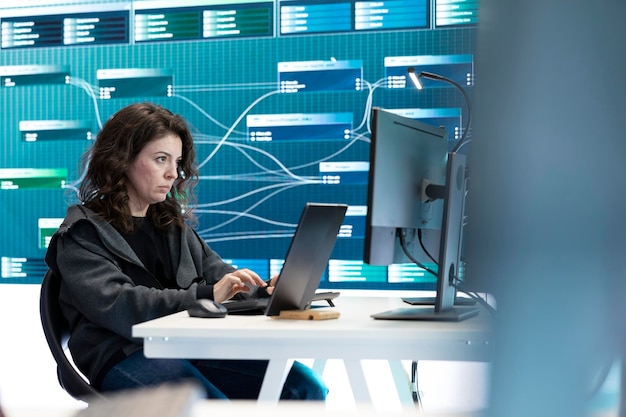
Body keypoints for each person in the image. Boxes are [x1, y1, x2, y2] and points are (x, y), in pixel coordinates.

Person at [44, 102, 328, 400]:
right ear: (122, 159)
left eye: (176, 161)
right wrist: (206, 296)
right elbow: (122, 306)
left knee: (304, 388)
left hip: (186, 347)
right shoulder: (81, 234)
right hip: (123, 355)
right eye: (160, 159)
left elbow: (218, 274)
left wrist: (262, 292)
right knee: (208, 406)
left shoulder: (169, 223)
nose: (172, 173)